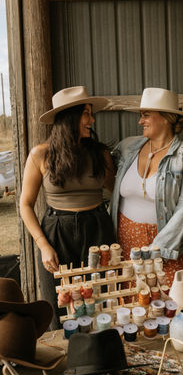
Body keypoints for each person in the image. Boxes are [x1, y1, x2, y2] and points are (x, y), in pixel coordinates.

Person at [20, 86, 116, 329]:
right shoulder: (40, 155)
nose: (92, 120)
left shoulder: (100, 154)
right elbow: (25, 204)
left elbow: (117, 189)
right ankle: (66, 357)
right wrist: (43, 245)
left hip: (97, 229)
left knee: (100, 299)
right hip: (56, 232)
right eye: (86, 114)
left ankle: (101, 355)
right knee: (59, 304)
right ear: (69, 117)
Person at [111, 87, 183, 286]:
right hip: (126, 244)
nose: (140, 121)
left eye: (146, 115)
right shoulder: (128, 148)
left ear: (166, 118)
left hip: (171, 249)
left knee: (171, 307)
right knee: (131, 308)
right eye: (140, 115)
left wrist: (155, 252)